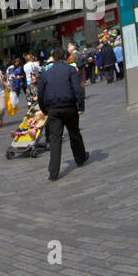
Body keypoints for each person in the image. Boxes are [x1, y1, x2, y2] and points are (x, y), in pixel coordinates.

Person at [36, 46, 88, 181]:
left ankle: (53, 172)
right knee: (74, 133)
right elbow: (77, 89)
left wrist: (44, 109)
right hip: (69, 107)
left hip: (53, 109)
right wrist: (80, 106)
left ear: (53, 59)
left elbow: (40, 94)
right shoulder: (70, 70)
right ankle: (80, 158)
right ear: (65, 57)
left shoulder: (46, 74)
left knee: (55, 139)